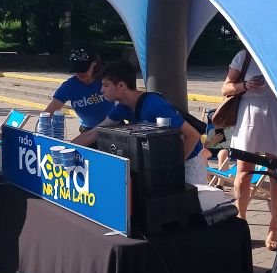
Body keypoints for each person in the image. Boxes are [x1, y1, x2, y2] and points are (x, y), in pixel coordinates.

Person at [73, 60, 207, 186]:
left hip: (188, 162)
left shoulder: (155, 106)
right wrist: (66, 148)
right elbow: (94, 133)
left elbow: (193, 135)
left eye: (105, 85)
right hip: (164, 162)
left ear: (121, 86)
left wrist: (174, 167)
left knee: (194, 201)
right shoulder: (122, 108)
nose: (101, 90)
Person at [221, 49, 277, 249]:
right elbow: (225, 88)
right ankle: (241, 222)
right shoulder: (244, 56)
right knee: (244, 173)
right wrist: (245, 85)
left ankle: (274, 227)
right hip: (248, 117)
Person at [44, 47, 113, 131]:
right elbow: (47, 114)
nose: (80, 73)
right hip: (88, 130)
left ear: (94, 63)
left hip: (114, 128)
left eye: (84, 69)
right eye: (76, 69)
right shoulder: (70, 86)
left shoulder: (106, 79)